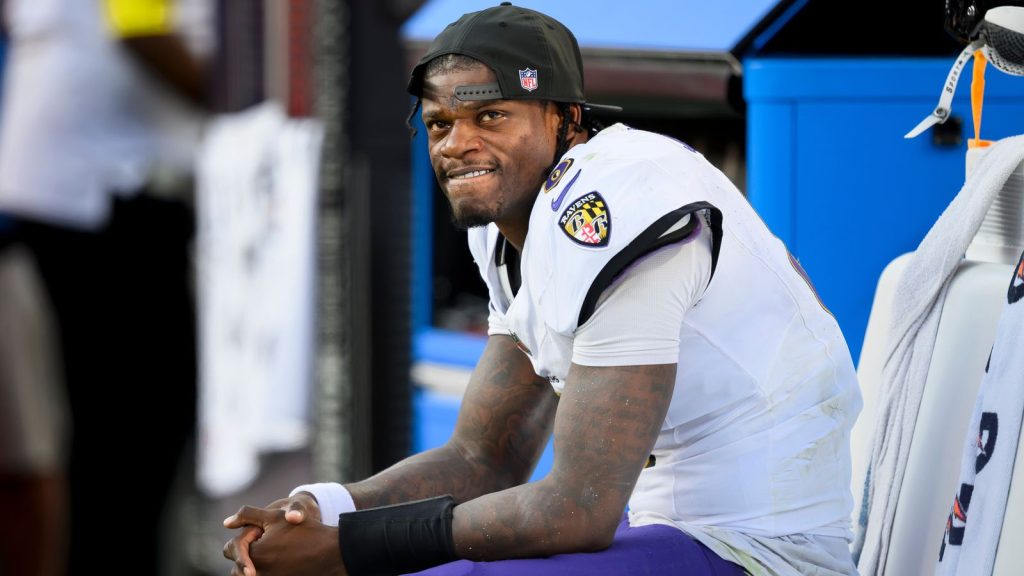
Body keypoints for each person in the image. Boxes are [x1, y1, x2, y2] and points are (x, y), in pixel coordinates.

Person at [223, 3, 863, 575]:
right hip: (665, 524)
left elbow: (577, 509)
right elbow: (483, 457)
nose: (458, 144)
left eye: (491, 116)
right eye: (440, 123)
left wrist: (350, 548)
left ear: (565, 118)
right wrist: (321, 509)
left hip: (761, 546)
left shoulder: (612, 197)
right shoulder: (507, 227)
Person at [0, 0, 209, 572]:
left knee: (95, 439)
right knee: (126, 439)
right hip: (97, 205)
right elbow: (137, 21)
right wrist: (261, 94)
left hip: (69, 196)